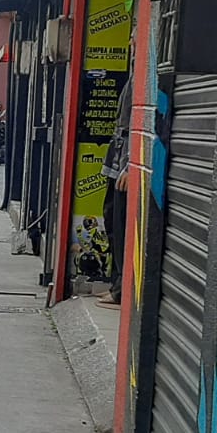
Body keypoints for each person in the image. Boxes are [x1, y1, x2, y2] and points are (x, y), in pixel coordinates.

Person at [98, 78, 132, 307]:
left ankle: (120, 289)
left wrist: (130, 165)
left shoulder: (143, 73)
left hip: (125, 163)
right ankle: (116, 283)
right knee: (111, 219)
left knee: (120, 225)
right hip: (118, 160)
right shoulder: (133, 74)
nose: (131, 41)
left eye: (134, 39)